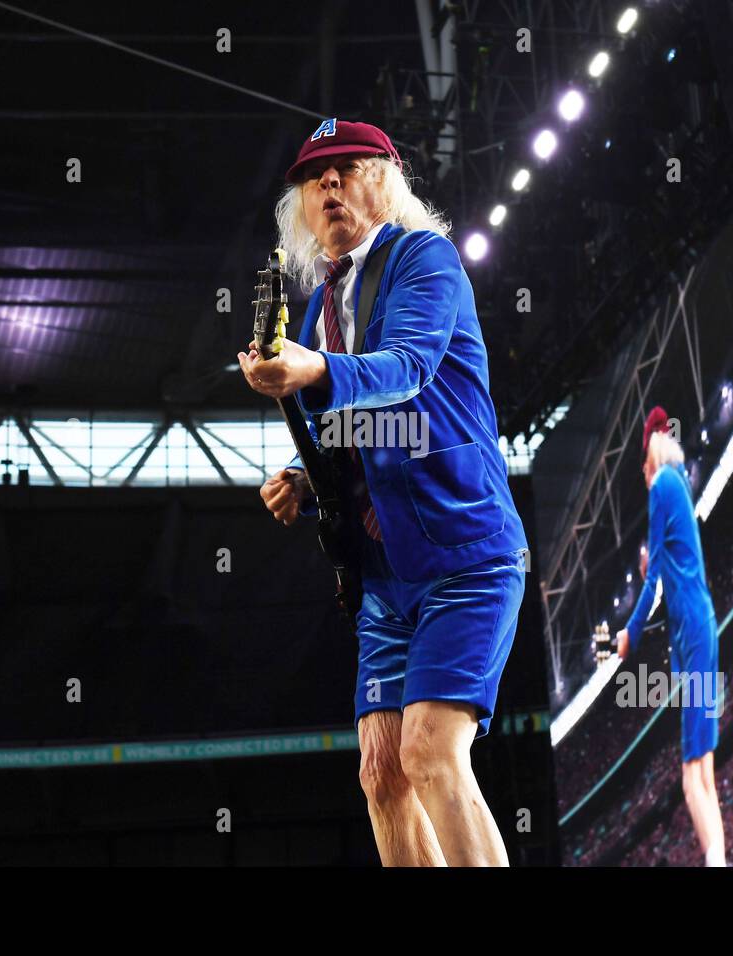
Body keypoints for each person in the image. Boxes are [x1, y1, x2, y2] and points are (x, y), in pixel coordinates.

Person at [237, 119, 528, 866]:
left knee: (431, 750)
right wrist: (304, 480)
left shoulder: (424, 258)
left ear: (386, 182)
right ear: (300, 207)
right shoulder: (317, 310)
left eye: (347, 167)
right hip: (380, 573)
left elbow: (406, 368)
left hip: (462, 551)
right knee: (382, 773)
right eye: (314, 176)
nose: (328, 183)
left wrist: (315, 372)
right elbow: (350, 438)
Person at [616, 406, 726, 866]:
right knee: (704, 772)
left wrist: (630, 633)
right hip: (695, 629)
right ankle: (719, 860)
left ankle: (717, 861)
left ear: (648, 458)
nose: (642, 475)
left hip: (694, 633)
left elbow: (656, 579)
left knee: (689, 778)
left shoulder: (662, 483)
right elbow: (668, 565)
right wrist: (651, 570)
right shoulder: (677, 482)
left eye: (641, 466)